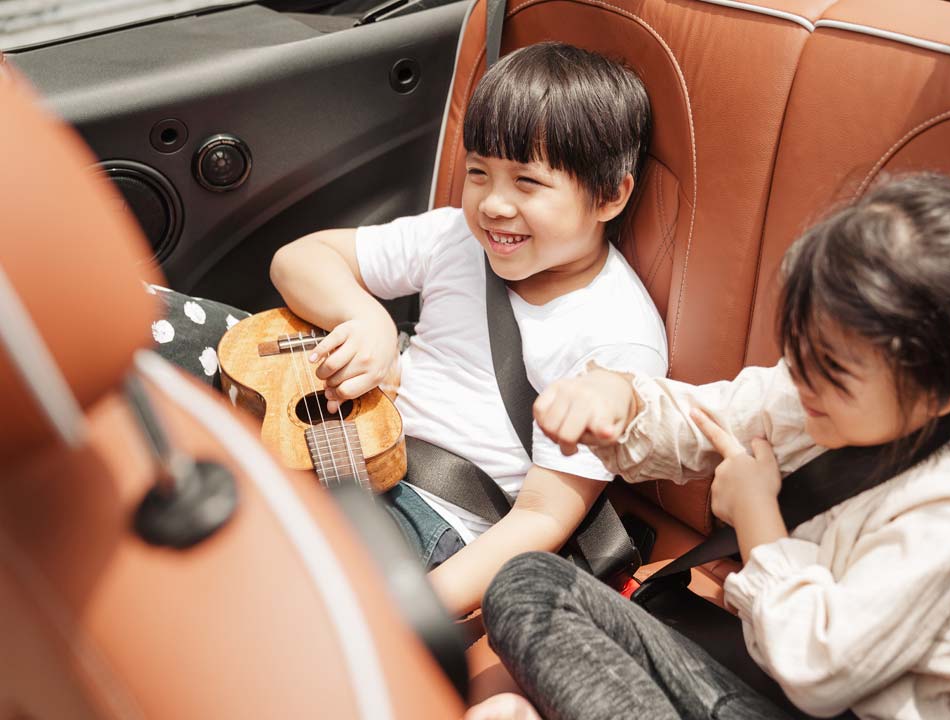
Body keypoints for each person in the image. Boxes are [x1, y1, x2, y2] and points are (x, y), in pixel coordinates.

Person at [468, 174, 950, 720]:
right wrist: (619, 401)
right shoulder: (806, 394)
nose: (799, 375)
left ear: (949, 390)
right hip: (752, 671)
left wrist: (756, 515)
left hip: (824, 696)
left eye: (833, 367)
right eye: (798, 345)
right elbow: (703, 418)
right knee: (527, 584)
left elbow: (821, 670)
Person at [158, 41, 666, 619]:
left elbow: (541, 518)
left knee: (259, 573)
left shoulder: (616, 340)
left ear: (610, 194)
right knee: (152, 325)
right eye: (478, 172)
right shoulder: (457, 238)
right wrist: (365, 316)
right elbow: (297, 260)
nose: (494, 205)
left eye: (527, 183)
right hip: (356, 434)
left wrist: (411, 612)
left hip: (435, 517)